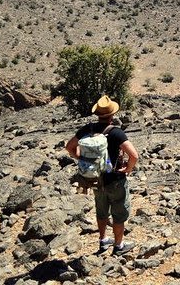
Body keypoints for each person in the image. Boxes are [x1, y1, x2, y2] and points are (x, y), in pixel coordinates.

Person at [65, 95, 139, 256]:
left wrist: (82, 158)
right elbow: (134, 156)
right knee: (119, 213)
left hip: (94, 179)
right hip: (115, 180)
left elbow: (70, 147)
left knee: (101, 210)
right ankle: (119, 246)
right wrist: (128, 169)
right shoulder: (116, 133)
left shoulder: (87, 129)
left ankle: (103, 239)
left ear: (97, 114)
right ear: (112, 115)